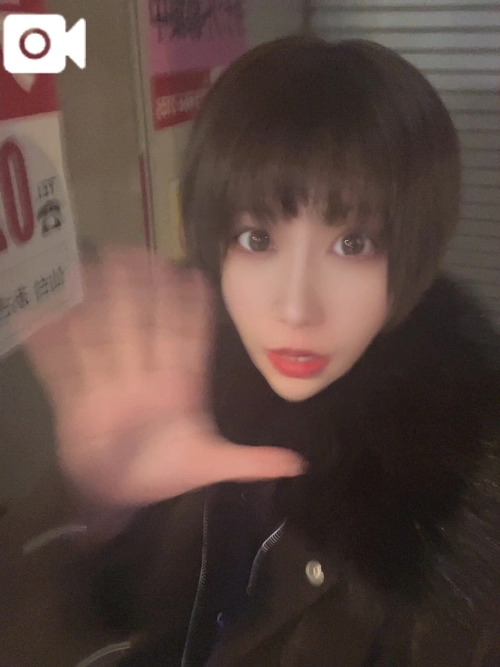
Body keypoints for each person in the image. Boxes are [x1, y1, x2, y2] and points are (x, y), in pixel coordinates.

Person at [24, 36, 500, 666]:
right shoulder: (165, 388)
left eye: (354, 245)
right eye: (256, 238)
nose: (296, 308)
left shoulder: (465, 495)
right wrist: (102, 520)